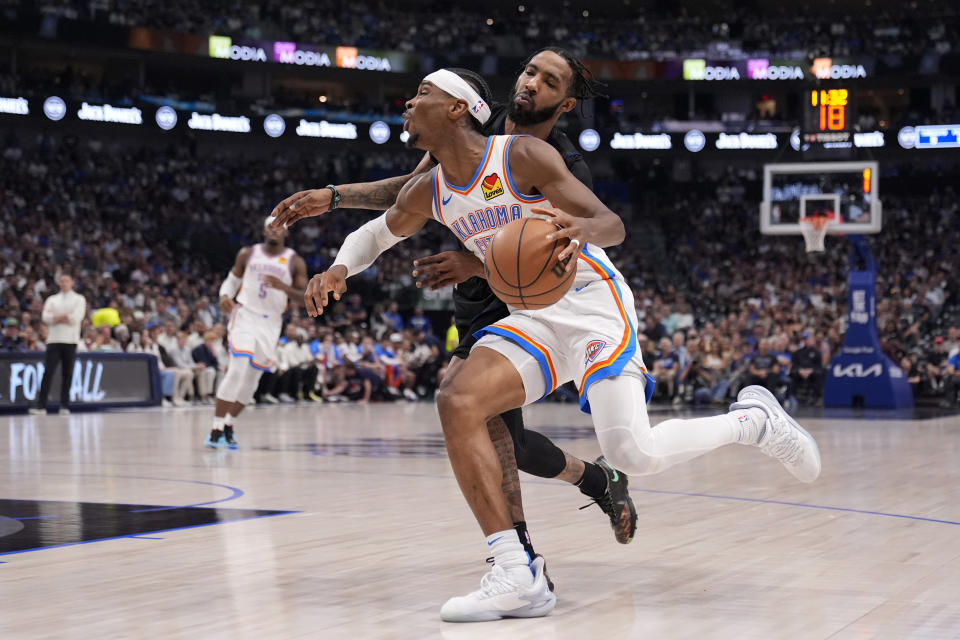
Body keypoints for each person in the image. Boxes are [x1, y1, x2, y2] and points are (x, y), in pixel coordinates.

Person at [295, 67, 822, 622]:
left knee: (631, 453)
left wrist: (575, 228)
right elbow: (378, 231)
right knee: (458, 399)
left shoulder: (520, 155)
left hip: (593, 304)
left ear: (456, 109)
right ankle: (516, 574)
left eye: (423, 92)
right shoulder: (429, 187)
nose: (408, 101)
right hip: (532, 315)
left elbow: (611, 224)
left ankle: (753, 422)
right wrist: (338, 270)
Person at [271, 50, 638, 560]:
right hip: (485, 304)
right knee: (504, 434)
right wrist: (335, 201)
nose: (531, 83)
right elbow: (408, 195)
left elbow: (572, 248)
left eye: (548, 81)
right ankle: (594, 483)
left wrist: (479, 265)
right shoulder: (462, 138)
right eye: (529, 71)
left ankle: (521, 554)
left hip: (540, 299)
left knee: (487, 421)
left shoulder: (553, 160)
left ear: (567, 103)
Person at [204, 216, 307, 449]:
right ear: (263, 230)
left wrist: (284, 287)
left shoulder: (294, 262)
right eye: (270, 226)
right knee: (238, 369)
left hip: (271, 324)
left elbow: (303, 296)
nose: (274, 231)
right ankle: (215, 428)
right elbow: (231, 281)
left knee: (252, 380)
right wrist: (223, 297)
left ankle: (229, 424)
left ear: (286, 232)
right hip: (245, 315)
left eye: (279, 227)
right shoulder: (248, 253)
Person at [30, 274, 86, 415]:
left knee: (67, 373)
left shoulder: (79, 299)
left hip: (70, 340)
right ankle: (41, 406)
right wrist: (65, 316)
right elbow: (46, 318)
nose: (64, 283)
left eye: (67, 280)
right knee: (48, 372)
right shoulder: (52, 299)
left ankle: (64, 405)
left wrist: (56, 316)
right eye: (61, 281)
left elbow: (75, 318)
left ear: (72, 282)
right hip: (54, 340)